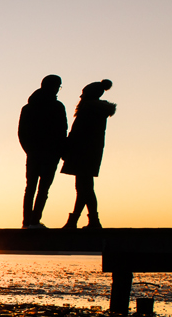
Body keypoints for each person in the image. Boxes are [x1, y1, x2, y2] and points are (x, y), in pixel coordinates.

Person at [60, 80, 116, 230]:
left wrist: (67, 148)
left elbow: (78, 133)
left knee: (83, 188)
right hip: (90, 152)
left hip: (82, 152)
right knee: (85, 187)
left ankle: (77, 221)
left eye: (83, 93)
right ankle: (91, 221)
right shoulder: (98, 111)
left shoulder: (89, 110)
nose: (80, 95)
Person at [18, 75, 67, 228]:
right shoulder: (57, 107)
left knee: (30, 188)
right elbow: (62, 131)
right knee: (43, 189)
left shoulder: (28, 108)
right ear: (54, 86)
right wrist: (59, 151)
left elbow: (21, 133)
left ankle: (27, 222)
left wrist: (29, 150)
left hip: (33, 153)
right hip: (51, 154)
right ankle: (34, 221)